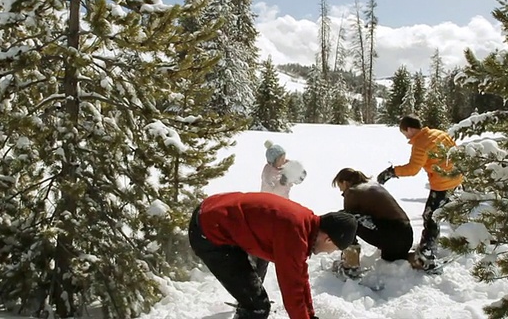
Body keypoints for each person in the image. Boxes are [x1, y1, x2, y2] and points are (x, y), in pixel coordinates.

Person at [188, 192, 358, 319]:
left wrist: (310, 316)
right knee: (258, 307)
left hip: (214, 212)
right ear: (328, 239)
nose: (329, 252)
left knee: (253, 297)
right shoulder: (294, 235)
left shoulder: (305, 223)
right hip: (209, 231)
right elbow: (291, 290)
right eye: (334, 248)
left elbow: (300, 276)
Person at [376, 114, 463, 272]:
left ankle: (427, 255)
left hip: (442, 183)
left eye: (404, 133)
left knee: (431, 217)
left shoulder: (421, 143)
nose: (406, 137)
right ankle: (463, 240)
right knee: (450, 212)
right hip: (456, 178)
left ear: (409, 129)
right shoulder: (438, 133)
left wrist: (391, 172)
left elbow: (412, 169)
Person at [331, 168, 413, 276]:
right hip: (406, 235)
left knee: (343, 219)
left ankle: (350, 266)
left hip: (391, 237)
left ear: (345, 182)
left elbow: (348, 222)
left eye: (339, 186)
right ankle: (420, 258)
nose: (341, 191)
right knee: (394, 260)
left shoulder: (352, 192)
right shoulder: (372, 186)